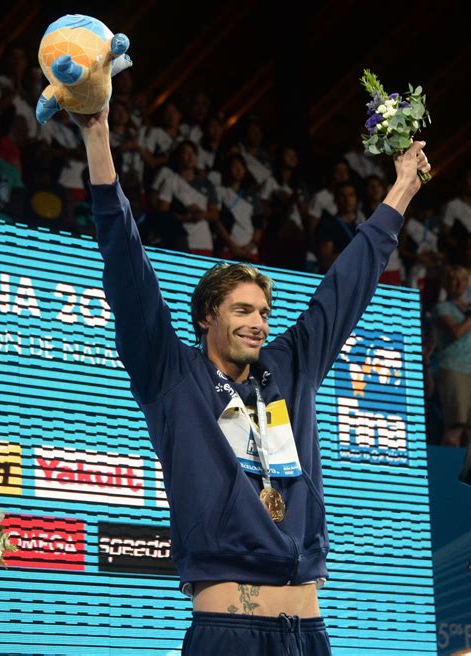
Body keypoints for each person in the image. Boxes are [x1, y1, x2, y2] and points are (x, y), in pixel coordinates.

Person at [71, 104, 430, 655]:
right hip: (228, 634)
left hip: (308, 634)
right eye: (241, 311)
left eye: (263, 312)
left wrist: (402, 188)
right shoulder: (172, 374)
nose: (258, 323)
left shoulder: (290, 368)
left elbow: (347, 286)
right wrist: (97, 135)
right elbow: (126, 264)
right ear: (206, 318)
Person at [431, 265, 471, 448]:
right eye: (454, 279)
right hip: (454, 369)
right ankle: (446, 471)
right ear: (447, 284)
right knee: (456, 427)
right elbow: (456, 332)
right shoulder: (442, 308)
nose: (459, 283)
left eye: (463, 279)